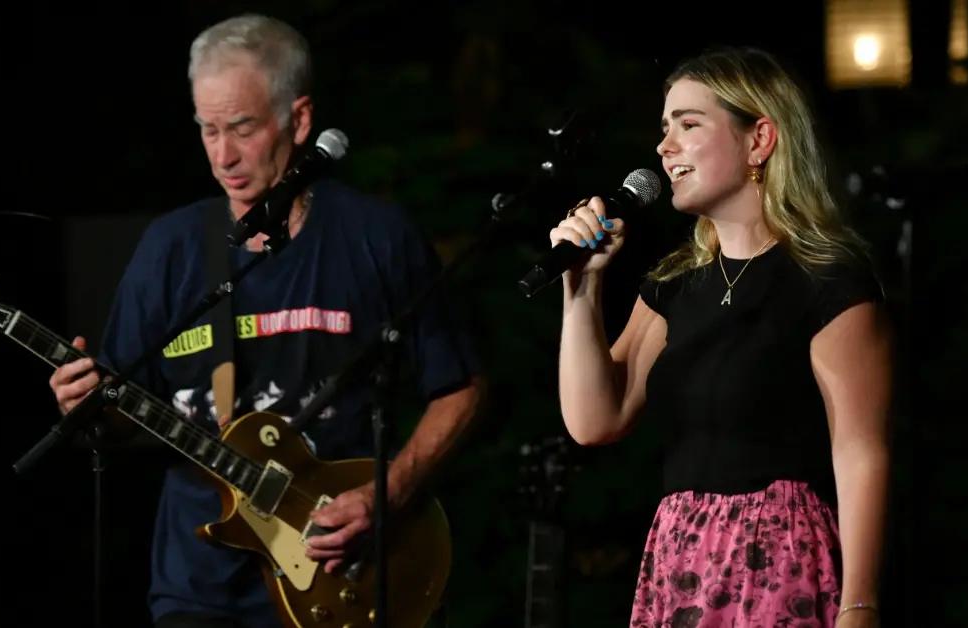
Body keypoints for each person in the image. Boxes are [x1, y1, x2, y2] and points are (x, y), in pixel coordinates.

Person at [48, 14, 481, 628]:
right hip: (200, 588)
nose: (223, 155)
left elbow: (459, 387)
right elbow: (116, 410)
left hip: (343, 572)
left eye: (243, 129)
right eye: (208, 130)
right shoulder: (170, 249)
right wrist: (81, 403)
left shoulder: (375, 236)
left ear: (299, 120)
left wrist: (389, 492)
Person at [549, 47, 890, 627]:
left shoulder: (824, 281)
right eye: (664, 129)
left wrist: (859, 602)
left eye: (688, 124)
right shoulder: (674, 289)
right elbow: (594, 421)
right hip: (683, 558)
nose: (664, 148)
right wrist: (580, 293)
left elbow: (858, 449)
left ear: (759, 139)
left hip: (779, 555)